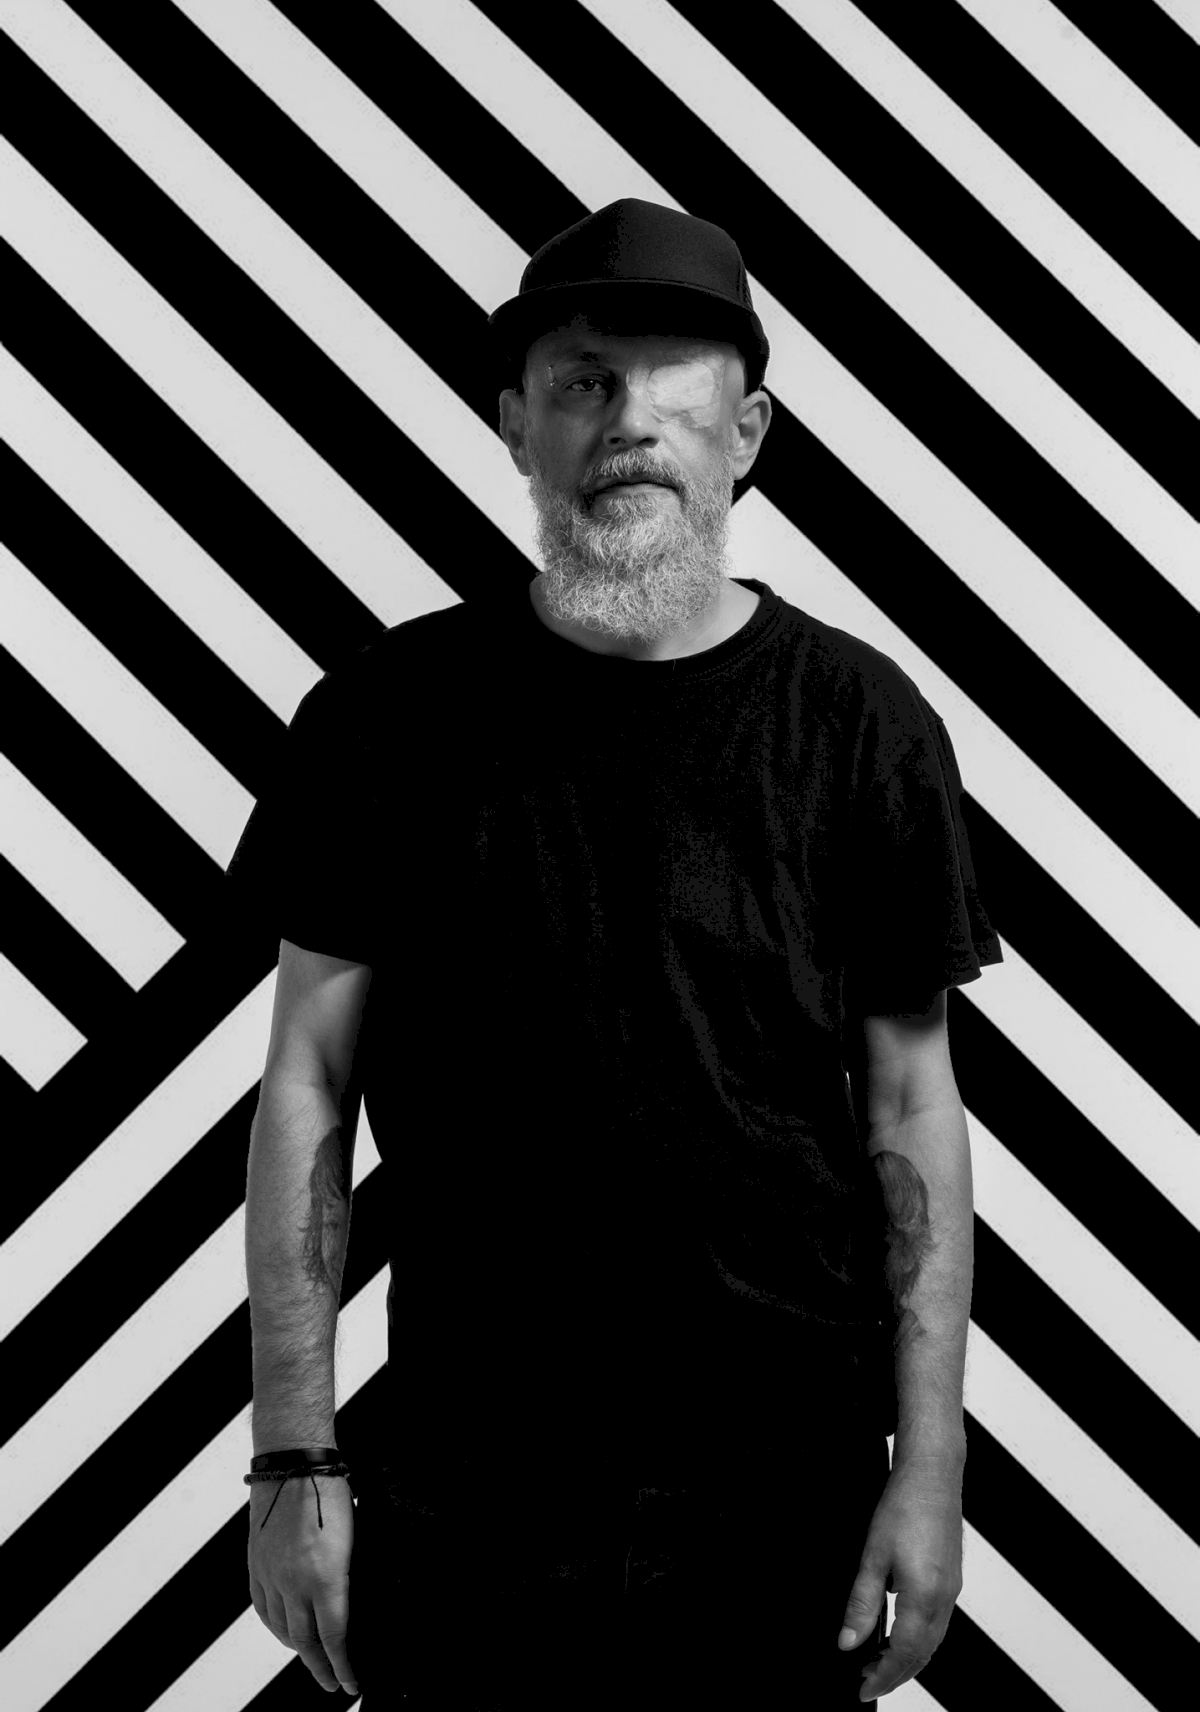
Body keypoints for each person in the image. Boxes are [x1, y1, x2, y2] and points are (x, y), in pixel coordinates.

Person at [229, 198, 1003, 1709]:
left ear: (747, 431)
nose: (627, 420)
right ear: (518, 427)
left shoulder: (861, 725)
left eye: (673, 381)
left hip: (784, 1496)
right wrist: (292, 1457)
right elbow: (305, 1082)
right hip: (466, 1484)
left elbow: (914, 1111)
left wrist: (931, 1469)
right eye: (583, 380)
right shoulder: (387, 718)